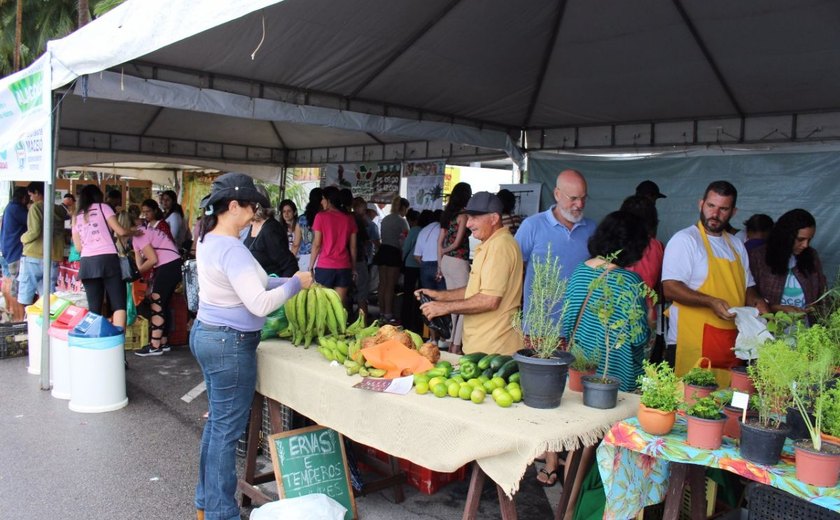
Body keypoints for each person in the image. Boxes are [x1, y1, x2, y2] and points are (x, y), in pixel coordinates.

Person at [662, 181, 769, 385]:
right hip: (690, 341)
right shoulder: (686, 240)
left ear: (733, 212)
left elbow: (748, 286)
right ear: (701, 204)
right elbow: (670, 288)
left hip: (730, 341)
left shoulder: (736, 244)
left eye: (723, 209)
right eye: (711, 206)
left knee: (725, 402)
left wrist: (757, 301)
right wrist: (711, 301)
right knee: (689, 402)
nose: (715, 213)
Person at [418, 192, 523, 356]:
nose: (468, 224)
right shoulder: (489, 244)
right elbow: (476, 290)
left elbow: (489, 300)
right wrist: (439, 296)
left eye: (474, 217)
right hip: (482, 346)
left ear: (494, 218)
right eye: (468, 217)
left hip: (495, 350)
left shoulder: (499, 247)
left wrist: (444, 308)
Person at [562, 211, 652, 391]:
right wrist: (649, 321)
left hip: (578, 374)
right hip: (615, 379)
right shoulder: (630, 282)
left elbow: (566, 324)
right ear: (634, 246)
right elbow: (639, 338)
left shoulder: (579, 272)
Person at [515, 169, 595, 328]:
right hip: (540, 326)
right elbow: (514, 269)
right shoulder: (532, 226)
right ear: (557, 194)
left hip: (580, 328)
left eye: (583, 198)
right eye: (573, 198)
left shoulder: (592, 228)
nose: (579, 204)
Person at [120, 211, 184, 356]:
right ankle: (163, 341)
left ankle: (154, 345)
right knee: (163, 303)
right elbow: (140, 262)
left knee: (157, 302)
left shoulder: (140, 235)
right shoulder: (140, 235)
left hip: (167, 265)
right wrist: (138, 271)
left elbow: (152, 259)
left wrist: (136, 274)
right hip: (172, 264)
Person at [72, 185, 134, 329]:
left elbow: (78, 248)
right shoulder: (103, 208)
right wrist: (134, 233)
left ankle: (97, 343)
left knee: (94, 307)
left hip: (87, 263)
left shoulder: (77, 216)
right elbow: (121, 231)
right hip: (108, 260)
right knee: (118, 304)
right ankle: (118, 344)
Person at [749, 209, 826, 323]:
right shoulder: (759, 257)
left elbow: (823, 294)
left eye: (809, 240)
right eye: (800, 239)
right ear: (786, 235)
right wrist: (774, 308)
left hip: (806, 331)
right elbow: (749, 295)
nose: (805, 245)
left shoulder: (812, 256)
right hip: (770, 329)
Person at [437, 182, 472, 354]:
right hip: (459, 260)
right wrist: (447, 249)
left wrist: (439, 261)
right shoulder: (463, 216)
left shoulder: (447, 214)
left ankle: (449, 339)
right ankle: (456, 345)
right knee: (465, 303)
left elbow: (439, 240)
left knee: (452, 303)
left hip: (445, 262)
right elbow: (457, 242)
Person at [18, 182, 64, 307]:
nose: (31, 198)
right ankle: (45, 324)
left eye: (31, 195)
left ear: (38, 193)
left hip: (34, 256)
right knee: (48, 298)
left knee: (26, 294)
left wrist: (22, 238)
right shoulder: (58, 209)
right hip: (53, 256)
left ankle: (26, 323)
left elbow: (34, 231)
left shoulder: (36, 207)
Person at [310, 186, 357, 305]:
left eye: (323, 199)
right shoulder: (349, 219)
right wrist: (354, 268)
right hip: (344, 267)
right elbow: (353, 247)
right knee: (337, 307)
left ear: (329, 200)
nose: (321, 202)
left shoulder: (320, 217)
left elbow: (316, 244)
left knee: (323, 307)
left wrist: (310, 266)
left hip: (325, 267)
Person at [375, 196, 410, 324]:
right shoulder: (402, 221)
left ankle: (381, 312)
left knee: (382, 284)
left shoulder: (385, 219)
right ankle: (389, 314)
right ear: (404, 208)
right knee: (390, 285)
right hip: (394, 253)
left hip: (382, 251)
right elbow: (405, 240)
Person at [243, 203, 299, 278]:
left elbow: (289, 265)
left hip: (270, 285)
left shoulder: (270, 230)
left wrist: (282, 287)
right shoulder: (252, 225)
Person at [1, 187, 29, 321]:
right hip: (15, 252)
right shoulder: (18, 209)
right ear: (24, 198)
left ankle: (10, 311)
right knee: (16, 288)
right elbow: (33, 222)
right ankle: (18, 320)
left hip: (7, 251)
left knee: (7, 282)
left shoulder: (9, 207)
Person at [351, 196, 375, 320]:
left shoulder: (347, 217)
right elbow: (365, 241)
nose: (365, 211)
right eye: (364, 208)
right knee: (362, 293)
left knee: (347, 293)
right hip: (359, 260)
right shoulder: (359, 220)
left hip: (345, 260)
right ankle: (363, 323)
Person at [401, 209, 423, 333]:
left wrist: (401, 260)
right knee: (420, 295)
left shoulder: (414, 230)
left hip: (410, 265)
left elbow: (406, 247)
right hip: (421, 266)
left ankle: (406, 321)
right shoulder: (425, 230)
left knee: (408, 294)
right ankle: (418, 321)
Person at [297, 188, 322, 272]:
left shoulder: (301, 219)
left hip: (304, 258)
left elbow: (296, 244)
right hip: (321, 258)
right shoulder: (324, 218)